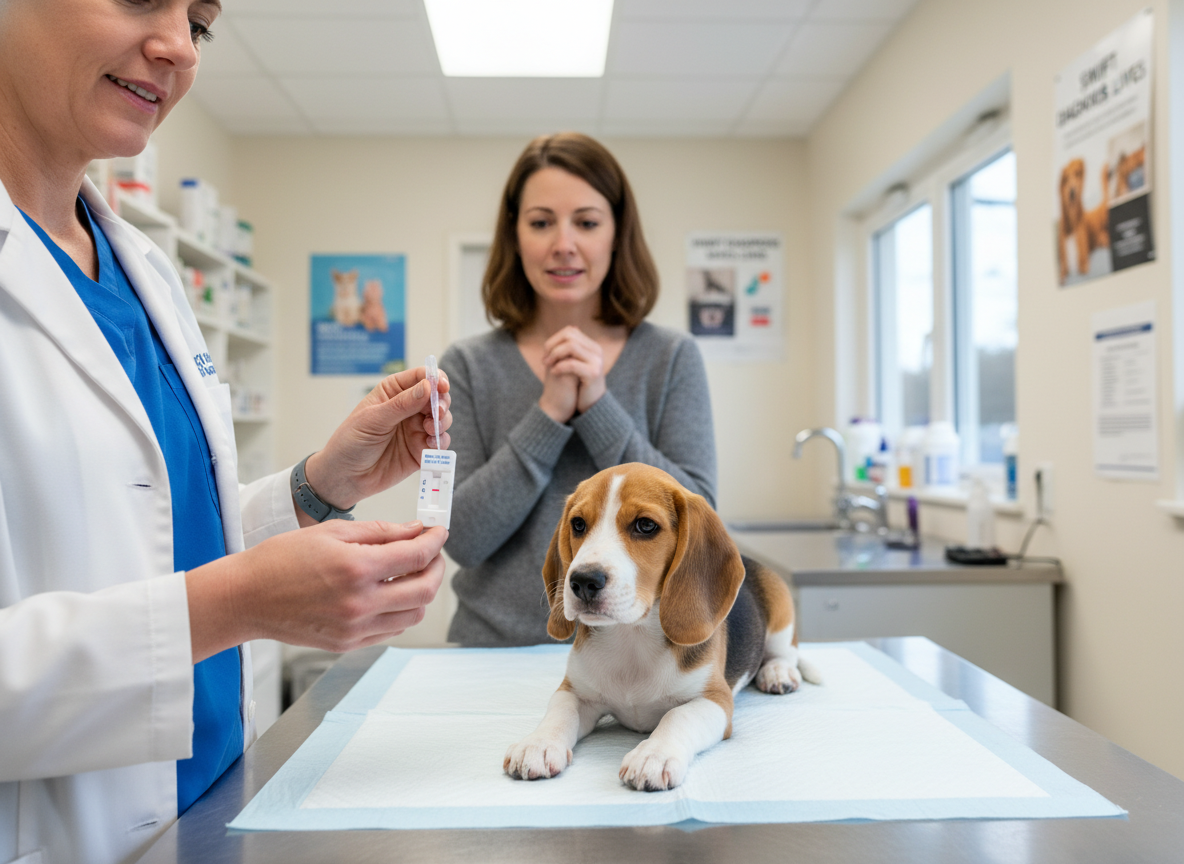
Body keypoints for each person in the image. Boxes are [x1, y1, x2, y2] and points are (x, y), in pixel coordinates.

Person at [0, 3, 452, 862]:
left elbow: (153, 540)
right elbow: (192, 595)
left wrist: (321, 487)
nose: (176, 46)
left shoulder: (147, 272)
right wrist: (235, 605)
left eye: (200, 23)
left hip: (208, 815)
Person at [441, 132, 717, 647]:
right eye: (541, 222)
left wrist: (597, 408)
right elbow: (463, 540)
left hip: (643, 662)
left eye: (586, 222)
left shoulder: (671, 357)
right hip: (494, 652)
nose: (562, 243)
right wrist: (548, 414)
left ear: (616, 234)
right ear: (515, 235)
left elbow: (700, 517)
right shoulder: (469, 365)